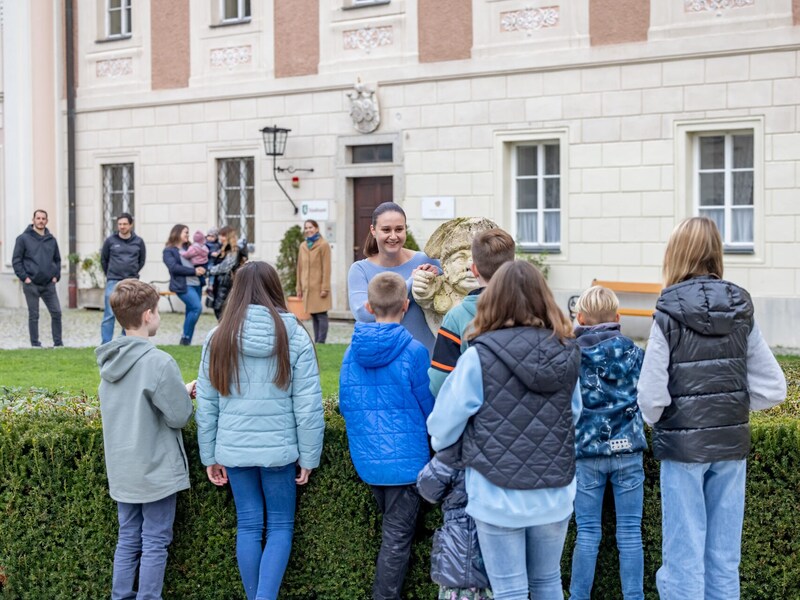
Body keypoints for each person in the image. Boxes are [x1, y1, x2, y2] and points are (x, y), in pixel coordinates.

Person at [636, 217, 786, 600]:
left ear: (676, 254)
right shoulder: (740, 307)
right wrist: (727, 405)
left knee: (683, 560)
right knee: (723, 559)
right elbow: (774, 388)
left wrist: (671, 418)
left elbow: (651, 397)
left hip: (683, 450)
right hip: (730, 446)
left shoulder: (667, 310)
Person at [427, 260, 581, 600]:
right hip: (555, 489)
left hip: (496, 491)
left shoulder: (478, 357)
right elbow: (574, 414)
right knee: (548, 583)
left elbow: (442, 426)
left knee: (509, 589)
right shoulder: (568, 352)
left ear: (493, 299)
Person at [196, 261, 324, 600]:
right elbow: (308, 404)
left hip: (234, 449)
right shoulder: (294, 333)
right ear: (275, 288)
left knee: (249, 526)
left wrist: (209, 454)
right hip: (279, 450)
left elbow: (206, 404)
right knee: (280, 526)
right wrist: (310, 456)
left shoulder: (217, 336)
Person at [95, 278, 194, 600]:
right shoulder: (158, 361)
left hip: (123, 468)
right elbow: (179, 416)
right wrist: (184, 396)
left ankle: (120, 596)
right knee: (154, 540)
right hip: (155, 469)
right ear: (149, 314)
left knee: (128, 538)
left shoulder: (108, 363)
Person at [339, 271, 435, 600]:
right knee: (397, 540)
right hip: (408, 464)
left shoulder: (351, 353)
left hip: (368, 460)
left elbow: (347, 404)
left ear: (368, 305)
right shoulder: (416, 352)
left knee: (393, 533)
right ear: (407, 306)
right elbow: (429, 408)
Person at [568, 285, 646, 600]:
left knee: (587, 535)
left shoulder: (571, 354)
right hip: (628, 451)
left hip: (587, 454)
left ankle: (577, 597)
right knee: (630, 535)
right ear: (617, 317)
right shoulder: (635, 352)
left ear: (580, 317)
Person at [428, 228, 516, 397]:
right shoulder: (536, 308)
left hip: (479, 414)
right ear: (512, 265)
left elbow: (440, 382)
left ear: (474, 269)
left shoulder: (457, 317)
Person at [347, 202, 441, 354]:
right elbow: (363, 314)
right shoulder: (360, 270)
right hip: (385, 361)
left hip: (426, 361)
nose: (393, 236)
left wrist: (438, 277)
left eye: (399, 229)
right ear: (373, 230)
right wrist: (412, 283)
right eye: (386, 230)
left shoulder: (427, 260)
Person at [417, 444, 493, 600]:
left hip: (458, 547)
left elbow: (427, 488)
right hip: (501, 540)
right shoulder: (507, 441)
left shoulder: (456, 448)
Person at [12, 209, 63, 348]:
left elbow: (57, 259)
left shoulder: (51, 240)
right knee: (34, 315)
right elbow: (17, 260)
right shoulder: (23, 239)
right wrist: (25, 278)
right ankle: (35, 344)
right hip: (31, 284)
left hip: (48, 284)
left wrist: (56, 276)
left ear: (46, 221)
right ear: (33, 220)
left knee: (57, 313)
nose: (40, 221)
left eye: (43, 219)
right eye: (38, 218)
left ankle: (58, 344)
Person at [100, 212, 146, 344]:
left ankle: (125, 342)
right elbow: (104, 260)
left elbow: (141, 261)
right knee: (109, 314)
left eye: (125, 224)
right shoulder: (110, 241)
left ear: (131, 225)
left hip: (132, 282)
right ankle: (106, 344)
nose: (122, 226)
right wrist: (111, 274)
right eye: (120, 224)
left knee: (129, 313)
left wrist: (132, 272)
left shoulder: (138, 242)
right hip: (113, 280)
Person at [162, 224, 206, 346]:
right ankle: (185, 338)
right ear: (177, 233)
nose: (188, 235)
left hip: (197, 284)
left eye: (188, 232)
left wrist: (202, 268)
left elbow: (200, 259)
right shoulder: (169, 251)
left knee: (190, 311)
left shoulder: (190, 247)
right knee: (197, 308)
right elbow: (174, 267)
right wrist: (194, 271)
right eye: (185, 232)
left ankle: (187, 343)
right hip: (183, 286)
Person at [296, 219, 332, 344]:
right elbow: (299, 268)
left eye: (311, 227)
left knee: (321, 314)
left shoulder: (323, 245)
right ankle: (317, 341)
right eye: (306, 228)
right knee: (314, 315)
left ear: (316, 229)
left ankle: (321, 341)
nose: (308, 230)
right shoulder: (303, 246)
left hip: (319, 286)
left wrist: (325, 287)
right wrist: (299, 287)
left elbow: (326, 268)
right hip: (307, 287)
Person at [209, 225, 247, 321]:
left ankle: (225, 333)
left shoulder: (233, 250)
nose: (221, 238)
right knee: (221, 310)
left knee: (221, 310)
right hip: (222, 283)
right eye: (220, 235)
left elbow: (225, 267)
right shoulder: (225, 248)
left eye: (223, 236)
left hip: (226, 284)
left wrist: (209, 270)